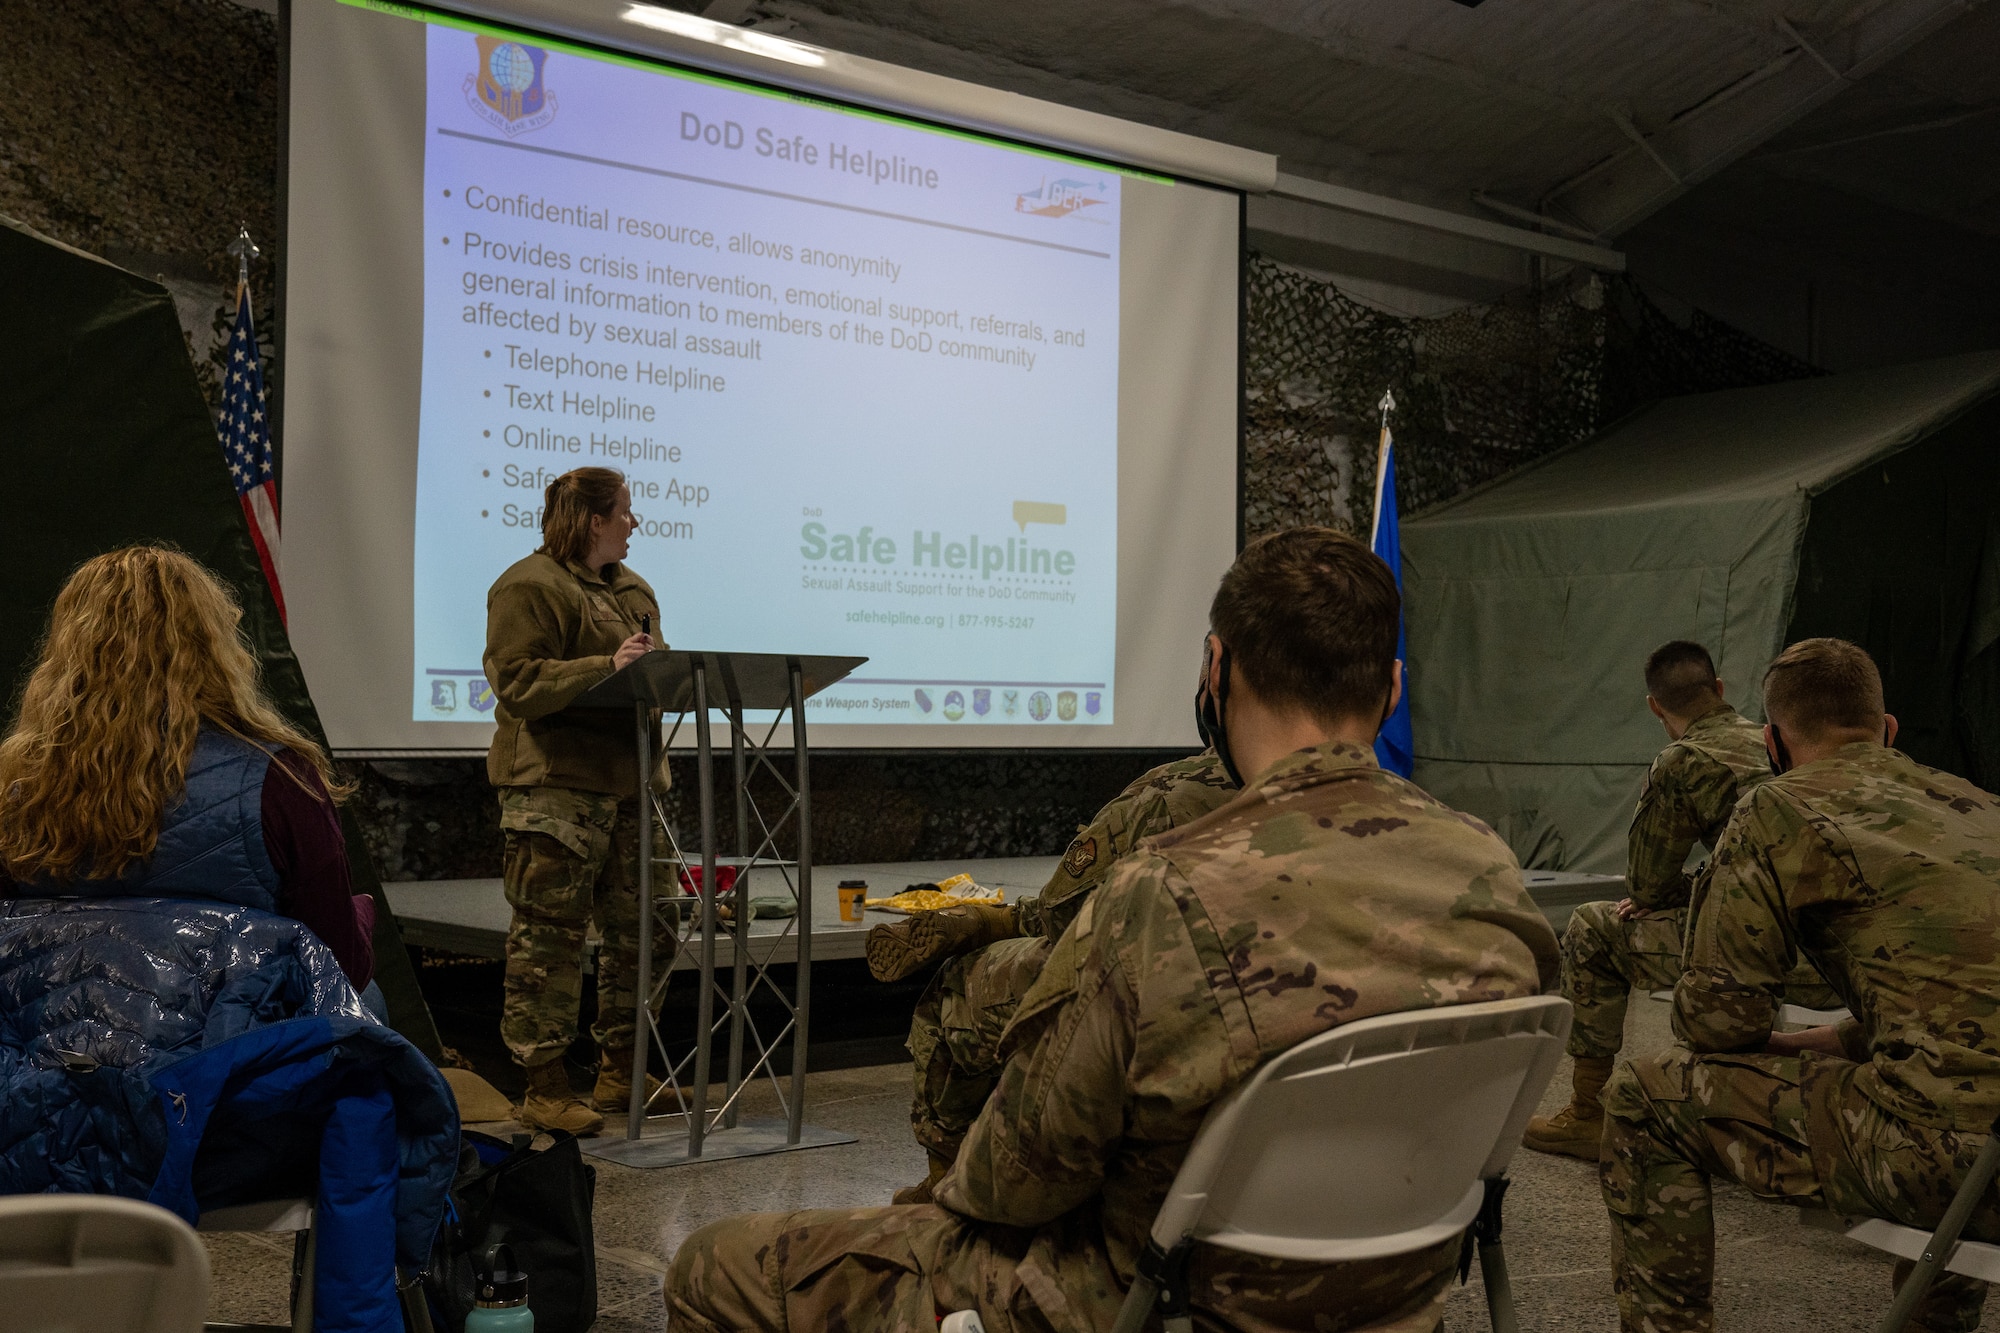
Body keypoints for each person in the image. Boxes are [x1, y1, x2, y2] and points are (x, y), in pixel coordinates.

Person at [665, 527, 1559, 1333]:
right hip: (1396, 1300)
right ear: (1393, 685)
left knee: (715, 1264)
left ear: (1217, 667)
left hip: (1154, 1301)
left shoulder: (1161, 893)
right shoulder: (1491, 875)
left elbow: (1010, 1183)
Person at [1601, 638, 2000, 1333]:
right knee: (1952, 1091)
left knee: (1647, 1094)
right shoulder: (1981, 807)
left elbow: (1713, 1021)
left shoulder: (1774, 808)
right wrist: (1811, 1042)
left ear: (1773, 743)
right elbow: (1954, 1007)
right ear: (1889, 728)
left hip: (1944, 1162)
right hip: (1989, 1150)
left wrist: (1765, 1036)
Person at [865, 748, 1235, 1202]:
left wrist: (1014, 921)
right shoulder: (1344, 790)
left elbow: (1065, 912)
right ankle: (994, 920)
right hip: (1275, 1011)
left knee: (953, 989)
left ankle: (950, 1183)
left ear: (1217, 680)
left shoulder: (1175, 791)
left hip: (1157, 994)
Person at [0, 545, 375, 989]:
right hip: (230, 1049)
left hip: (52, 1048)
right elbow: (340, 966)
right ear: (212, 646)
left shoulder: (16, 785)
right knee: (369, 1002)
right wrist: (363, 915)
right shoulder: (279, 779)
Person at [1525, 640, 1835, 1159]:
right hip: (1839, 952)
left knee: (1594, 929)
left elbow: (1646, 887)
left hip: (1771, 957)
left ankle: (1585, 1113)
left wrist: (1675, 893)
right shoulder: (1777, 741)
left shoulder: (1684, 760)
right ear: (1719, 689)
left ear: (1654, 707)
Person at [484, 465, 672, 1135]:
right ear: (593, 519)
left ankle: (622, 1067)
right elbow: (517, 680)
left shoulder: (633, 589)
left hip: (631, 788)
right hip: (557, 792)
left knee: (647, 931)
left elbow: (652, 671)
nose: (632, 522)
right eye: (624, 511)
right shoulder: (528, 585)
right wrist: (605, 667)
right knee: (549, 940)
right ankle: (546, 1085)